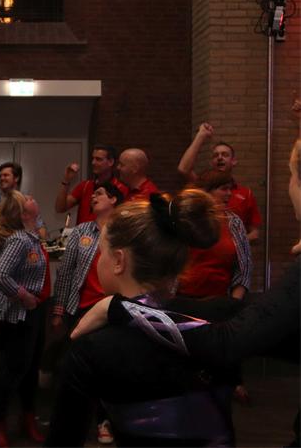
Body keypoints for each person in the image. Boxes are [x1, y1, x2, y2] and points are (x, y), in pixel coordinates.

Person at [45, 189, 242, 447]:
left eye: (101, 253)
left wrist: (118, 308)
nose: (99, 262)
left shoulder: (92, 348)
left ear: (119, 261)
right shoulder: (219, 320)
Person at [49, 181, 125, 444]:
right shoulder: (82, 230)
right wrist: (58, 311)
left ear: (114, 200)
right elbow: (66, 272)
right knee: (78, 366)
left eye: (100, 194)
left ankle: (105, 421)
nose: (93, 197)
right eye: (93, 194)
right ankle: (75, 419)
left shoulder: (124, 231)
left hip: (113, 309)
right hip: (81, 309)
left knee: (110, 367)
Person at [0, 190, 51, 447]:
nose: (32, 196)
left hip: (36, 311)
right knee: (12, 371)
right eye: (27, 198)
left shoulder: (32, 236)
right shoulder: (19, 240)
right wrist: (23, 295)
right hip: (20, 315)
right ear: (23, 213)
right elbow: (0, 275)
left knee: (30, 370)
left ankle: (27, 420)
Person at [177, 123, 261, 241]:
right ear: (212, 162)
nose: (220, 157)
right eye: (215, 155)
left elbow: (254, 233)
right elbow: (183, 169)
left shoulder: (246, 194)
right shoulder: (204, 186)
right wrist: (201, 135)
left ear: (234, 161)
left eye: (225, 155)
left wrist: (232, 245)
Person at [177, 170, 251, 300]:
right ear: (206, 192)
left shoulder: (234, 222)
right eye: (224, 189)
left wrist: (234, 301)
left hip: (220, 299)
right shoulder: (187, 219)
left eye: (230, 189)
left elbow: (244, 267)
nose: (229, 193)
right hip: (183, 297)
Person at [55, 146, 128, 225]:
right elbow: (60, 208)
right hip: (82, 231)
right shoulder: (85, 186)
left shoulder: (121, 188)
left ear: (110, 162)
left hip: (106, 231)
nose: (93, 162)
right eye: (93, 159)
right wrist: (66, 180)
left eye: (98, 159)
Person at [0, 162, 47, 238]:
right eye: (0, 176)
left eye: (5, 175)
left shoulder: (27, 201)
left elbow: (41, 229)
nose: (1, 178)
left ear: (16, 178)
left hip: (22, 244)